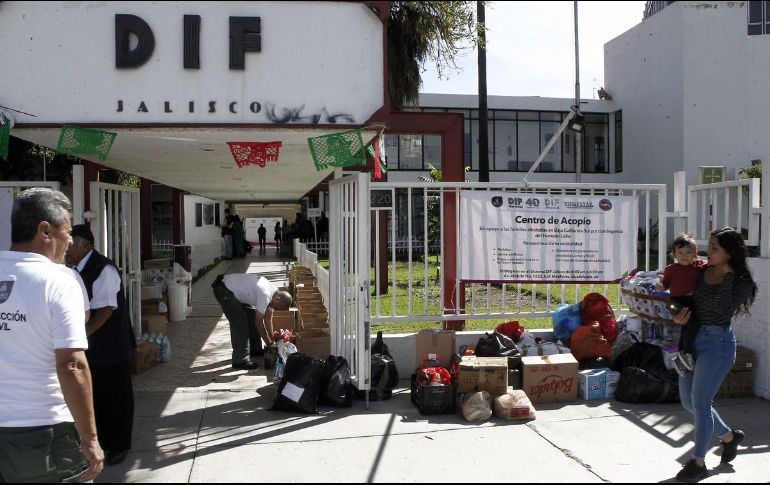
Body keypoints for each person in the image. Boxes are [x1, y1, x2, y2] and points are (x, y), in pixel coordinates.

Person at [0, 188, 104, 482]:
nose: (71, 240)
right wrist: (90, 438)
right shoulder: (59, 281)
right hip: (41, 436)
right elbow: (71, 364)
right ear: (44, 231)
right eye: (68, 231)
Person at [671, 227, 756, 482]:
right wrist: (675, 314)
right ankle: (729, 437)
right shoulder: (700, 272)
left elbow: (721, 309)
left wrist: (728, 277)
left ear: (729, 253)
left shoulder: (741, 282)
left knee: (700, 403)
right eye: (709, 244)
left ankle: (698, 462)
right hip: (691, 341)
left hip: (717, 345)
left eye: (715, 247)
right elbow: (679, 297)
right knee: (688, 402)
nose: (709, 250)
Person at [65, 224, 136, 467]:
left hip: (109, 346)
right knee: (95, 397)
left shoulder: (103, 268)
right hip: (92, 347)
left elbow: (106, 309)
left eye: (70, 242)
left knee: (115, 397)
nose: (67, 248)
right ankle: (101, 441)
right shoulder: (72, 268)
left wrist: (82, 335)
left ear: (84, 243)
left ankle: (119, 444)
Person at [211, 273, 293, 370]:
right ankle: (240, 361)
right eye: (276, 308)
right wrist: (269, 344)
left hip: (234, 291)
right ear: (277, 299)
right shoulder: (265, 294)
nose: (274, 309)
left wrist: (272, 340)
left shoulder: (274, 293)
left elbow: (268, 319)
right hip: (224, 289)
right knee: (240, 322)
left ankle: (255, 350)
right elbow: (259, 323)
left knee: (251, 316)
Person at [656, 234, 707, 376]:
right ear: (674, 254)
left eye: (689, 252)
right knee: (694, 324)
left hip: (691, 302)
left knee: (686, 329)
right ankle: (687, 353)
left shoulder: (699, 267)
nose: (684, 256)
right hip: (675, 303)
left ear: (696, 254)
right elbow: (665, 283)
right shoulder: (671, 269)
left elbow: (711, 264)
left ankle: (679, 358)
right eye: (680, 253)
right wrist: (661, 286)